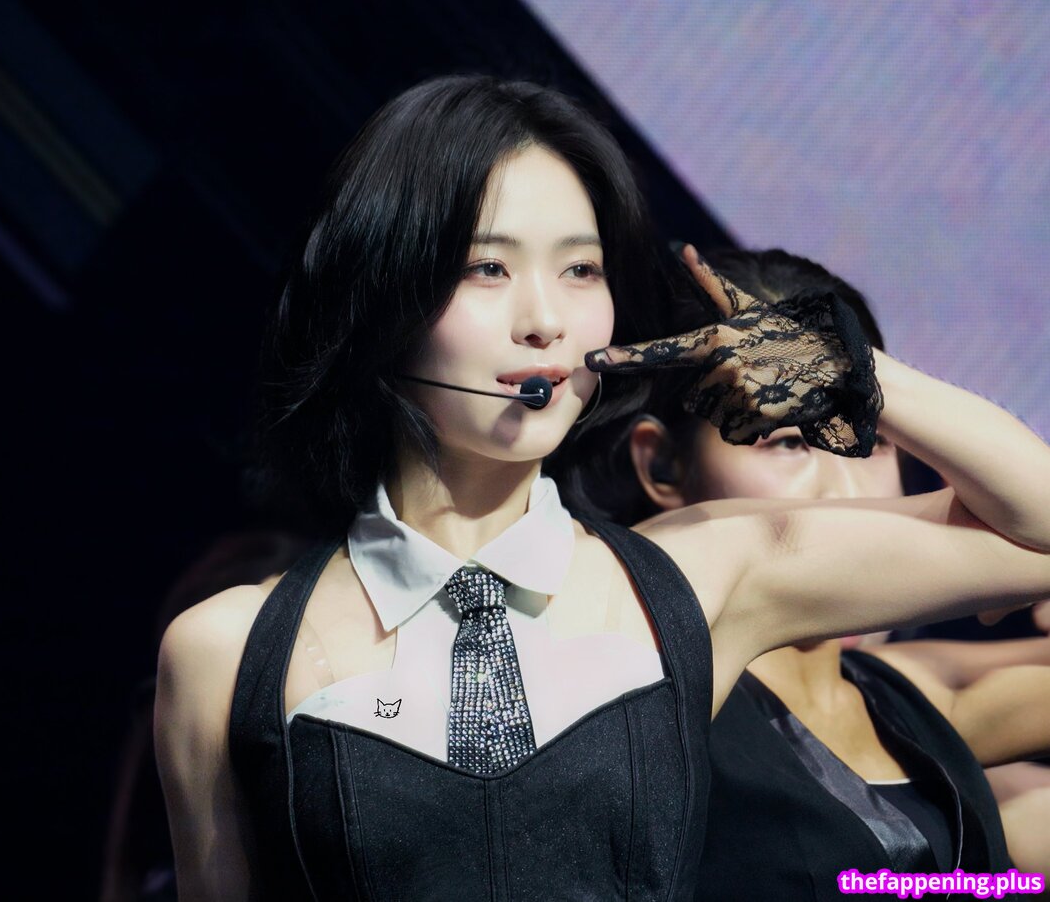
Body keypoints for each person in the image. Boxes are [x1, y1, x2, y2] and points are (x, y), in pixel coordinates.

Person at [154, 75, 1050, 901]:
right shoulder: (228, 651)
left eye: (580, 269)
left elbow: (1034, 529)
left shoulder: (693, 580)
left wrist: (852, 369)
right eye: (487, 267)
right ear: (381, 289)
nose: (546, 319)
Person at [610, 247, 1050, 898]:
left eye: (870, 440)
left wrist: (855, 367)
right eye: (789, 442)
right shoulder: (646, 682)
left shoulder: (905, 696)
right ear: (662, 466)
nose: (846, 493)